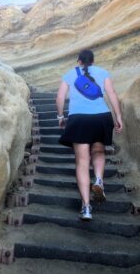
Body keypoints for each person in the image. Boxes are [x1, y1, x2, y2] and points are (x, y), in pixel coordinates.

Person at [56, 49, 123, 221]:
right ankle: (99, 180)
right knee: (99, 151)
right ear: (92, 62)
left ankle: (86, 207)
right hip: (102, 117)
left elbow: (60, 97)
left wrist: (61, 117)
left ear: (79, 61)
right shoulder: (102, 72)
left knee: (82, 162)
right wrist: (118, 117)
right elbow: (112, 94)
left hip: (79, 119)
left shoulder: (70, 74)